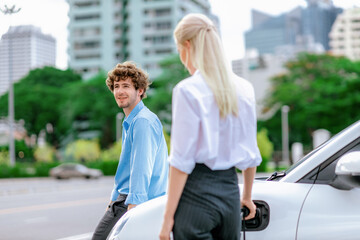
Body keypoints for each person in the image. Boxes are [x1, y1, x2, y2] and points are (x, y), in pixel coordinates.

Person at [159, 13, 262, 240]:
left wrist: (167, 220)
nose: (181, 59)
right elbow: (250, 153)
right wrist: (246, 196)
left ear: (187, 46)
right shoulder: (244, 89)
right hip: (230, 194)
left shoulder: (188, 90)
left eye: (179, 52)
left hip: (196, 195)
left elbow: (180, 161)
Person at [92, 61, 169, 240]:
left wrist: (134, 210)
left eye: (126, 86)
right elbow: (127, 168)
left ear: (140, 90)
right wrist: (112, 199)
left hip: (133, 203)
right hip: (125, 201)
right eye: (116, 86)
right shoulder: (132, 121)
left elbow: (141, 168)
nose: (119, 91)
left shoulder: (142, 121)